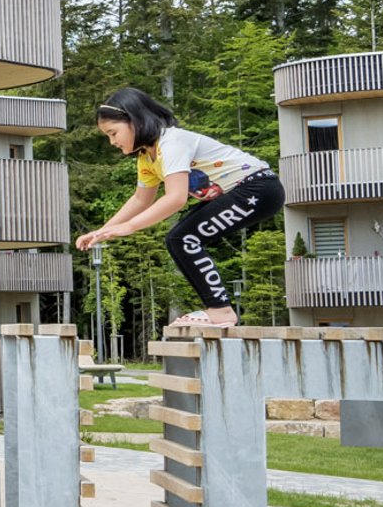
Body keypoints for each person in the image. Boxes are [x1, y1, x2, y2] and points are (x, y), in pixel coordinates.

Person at [76, 86, 286, 330]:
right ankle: (218, 309)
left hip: (258, 188)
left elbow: (176, 198)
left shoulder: (171, 142)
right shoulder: (146, 158)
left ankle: (220, 311)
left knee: (183, 238)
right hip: (246, 191)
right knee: (179, 238)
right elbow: (140, 200)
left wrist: (129, 227)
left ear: (135, 120)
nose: (112, 142)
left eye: (113, 133)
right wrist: (102, 231)